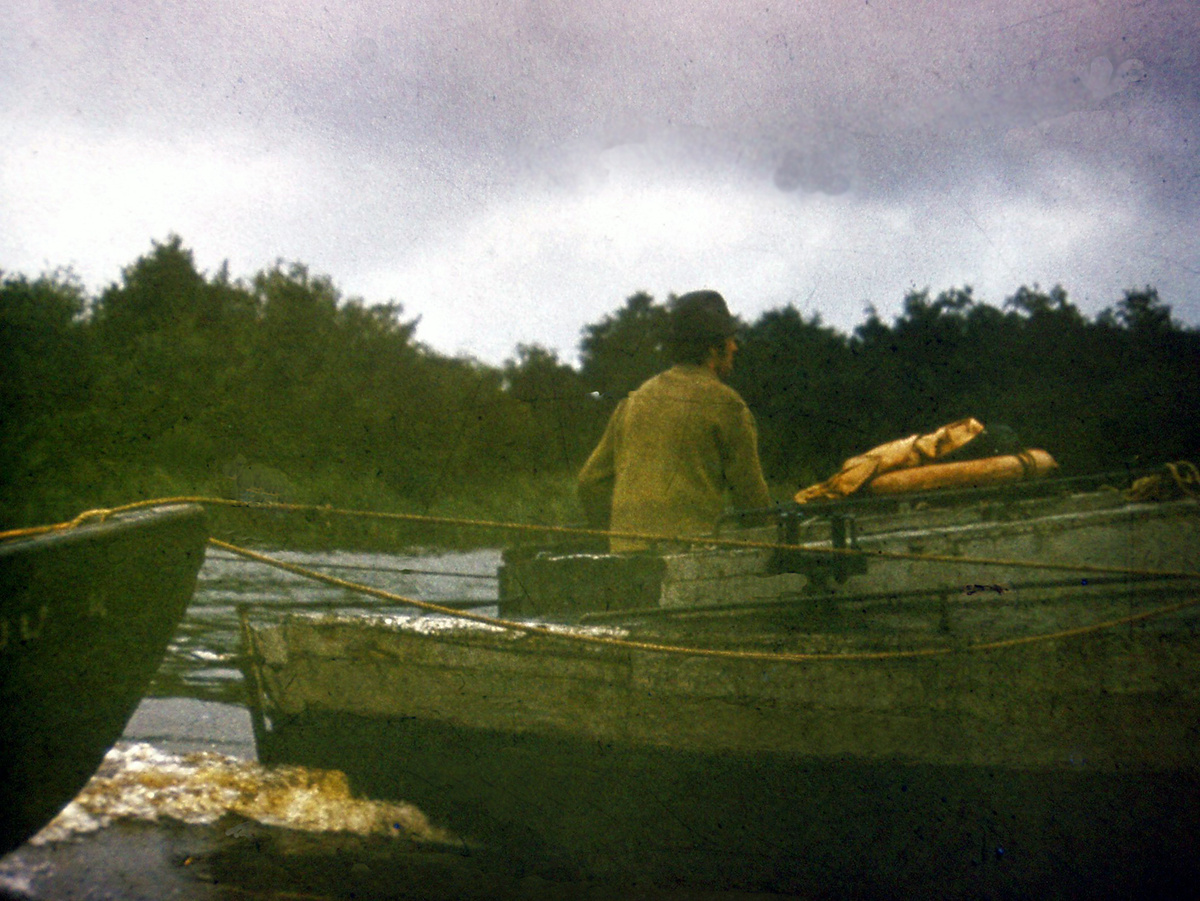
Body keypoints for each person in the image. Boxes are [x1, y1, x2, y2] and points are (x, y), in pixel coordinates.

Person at [577, 290, 772, 552]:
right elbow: (753, 504)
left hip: (623, 556)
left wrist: (614, 539)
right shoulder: (727, 405)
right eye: (730, 340)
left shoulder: (633, 400)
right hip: (688, 560)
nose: (735, 347)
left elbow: (590, 482)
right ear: (714, 347)